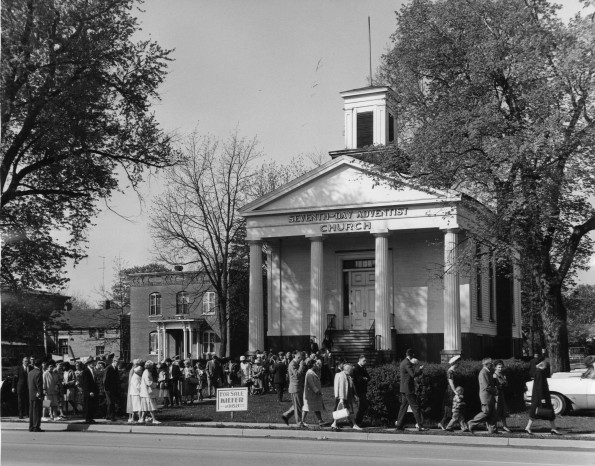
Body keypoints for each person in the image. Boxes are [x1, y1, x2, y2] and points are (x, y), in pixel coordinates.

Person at [525, 360, 561, 435]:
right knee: (541, 412)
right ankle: (528, 427)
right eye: (546, 365)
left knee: (539, 412)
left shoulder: (538, 372)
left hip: (539, 397)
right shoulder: (540, 373)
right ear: (542, 365)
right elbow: (540, 386)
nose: (547, 367)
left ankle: (553, 428)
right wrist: (542, 399)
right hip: (541, 397)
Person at [395, 348, 427, 431]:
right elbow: (413, 374)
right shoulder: (407, 363)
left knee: (403, 407)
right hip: (408, 389)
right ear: (411, 355)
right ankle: (420, 425)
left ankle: (399, 425)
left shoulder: (403, 362)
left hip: (403, 388)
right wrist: (420, 370)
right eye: (413, 355)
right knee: (415, 407)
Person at [467, 357, 498, 434]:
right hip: (486, 397)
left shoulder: (487, 372)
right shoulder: (483, 372)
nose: (492, 364)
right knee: (486, 412)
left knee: (492, 414)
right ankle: (472, 423)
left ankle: (492, 430)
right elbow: (487, 386)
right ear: (487, 364)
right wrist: (495, 391)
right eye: (491, 363)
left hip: (489, 396)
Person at [331, 363, 361, 431]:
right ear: (348, 369)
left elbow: (350, 387)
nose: (352, 370)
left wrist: (354, 395)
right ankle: (353, 424)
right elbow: (341, 387)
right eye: (351, 369)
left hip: (348, 396)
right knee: (343, 410)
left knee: (348, 410)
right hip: (344, 396)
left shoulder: (348, 376)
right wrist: (341, 398)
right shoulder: (342, 375)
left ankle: (352, 424)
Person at [281, 351, 307, 427]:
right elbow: (297, 375)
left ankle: (286, 415)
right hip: (295, 387)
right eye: (302, 359)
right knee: (298, 406)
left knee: (299, 404)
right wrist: (301, 365)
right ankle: (299, 422)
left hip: (298, 387)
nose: (303, 361)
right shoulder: (292, 364)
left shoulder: (296, 364)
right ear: (299, 357)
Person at [438, 355, 461, 430]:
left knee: (455, 408)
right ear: (455, 363)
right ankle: (442, 423)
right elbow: (451, 383)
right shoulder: (450, 371)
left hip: (455, 391)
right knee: (449, 408)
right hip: (451, 391)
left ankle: (446, 424)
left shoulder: (453, 371)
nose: (459, 364)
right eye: (458, 362)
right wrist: (455, 391)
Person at [302, 358, 325, 427]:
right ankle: (302, 421)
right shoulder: (309, 373)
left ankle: (320, 420)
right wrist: (317, 391)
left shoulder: (313, 372)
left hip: (314, 395)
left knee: (317, 407)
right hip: (309, 394)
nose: (316, 365)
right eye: (315, 364)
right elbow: (311, 384)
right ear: (312, 365)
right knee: (306, 408)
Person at [139, 360, 161, 424]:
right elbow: (148, 383)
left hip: (146, 392)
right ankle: (154, 419)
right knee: (150, 406)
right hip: (147, 392)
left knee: (145, 406)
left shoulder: (147, 372)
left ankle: (142, 419)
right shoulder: (147, 373)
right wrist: (156, 384)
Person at [352, 354, 370, 427]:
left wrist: (365, 378)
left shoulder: (363, 368)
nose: (365, 362)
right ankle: (357, 421)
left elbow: (368, 377)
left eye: (366, 360)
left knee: (363, 405)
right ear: (359, 360)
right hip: (358, 390)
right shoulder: (356, 368)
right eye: (364, 360)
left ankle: (359, 420)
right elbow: (358, 379)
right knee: (362, 405)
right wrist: (364, 378)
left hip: (363, 390)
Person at [493, 359, 511, 433]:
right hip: (497, 395)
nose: (500, 369)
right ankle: (494, 425)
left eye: (501, 367)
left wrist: (505, 382)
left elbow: (506, 385)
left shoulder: (502, 375)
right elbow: (496, 386)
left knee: (503, 410)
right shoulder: (494, 375)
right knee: (496, 410)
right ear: (495, 367)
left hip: (501, 394)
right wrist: (502, 383)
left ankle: (504, 425)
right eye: (499, 367)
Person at [80, 357, 98, 424]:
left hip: (93, 391)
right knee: (88, 405)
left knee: (91, 405)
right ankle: (87, 418)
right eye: (91, 363)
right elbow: (85, 383)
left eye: (93, 363)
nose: (93, 364)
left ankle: (91, 418)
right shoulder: (86, 371)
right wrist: (89, 392)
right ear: (88, 364)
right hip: (88, 391)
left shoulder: (92, 370)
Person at [28, 359, 44, 432]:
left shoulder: (30, 372)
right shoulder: (38, 373)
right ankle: (36, 427)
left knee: (31, 411)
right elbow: (39, 384)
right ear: (40, 365)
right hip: (37, 394)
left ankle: (31, 426)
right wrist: (40, 393)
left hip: (31, 393)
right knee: (37, 411)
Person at [103, 356, 120, 421]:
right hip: (108, 389)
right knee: (110, 402)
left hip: (113, 389)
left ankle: (108, 415)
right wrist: (106, 388)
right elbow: (105, 379)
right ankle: (111, 416)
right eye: (117, 362)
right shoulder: (108, 368)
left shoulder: (115, 368)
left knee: (111, 402)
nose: (118, 364)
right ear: (114, 361)